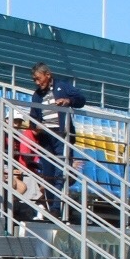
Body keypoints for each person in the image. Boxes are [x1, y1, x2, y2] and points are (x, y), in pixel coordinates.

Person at [28, 61, 86, 196]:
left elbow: (81, 99)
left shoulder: (62, 86)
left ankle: (56, 207)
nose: (37, 82)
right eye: (34, 80)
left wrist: (68, 101)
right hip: (45, 136)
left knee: (61, 169)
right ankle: (50, 204)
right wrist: (35, 127)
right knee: (48, 171)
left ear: (47, 75)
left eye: (38, 78)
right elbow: (33, 116)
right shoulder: (37, 95)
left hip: (61, 134)